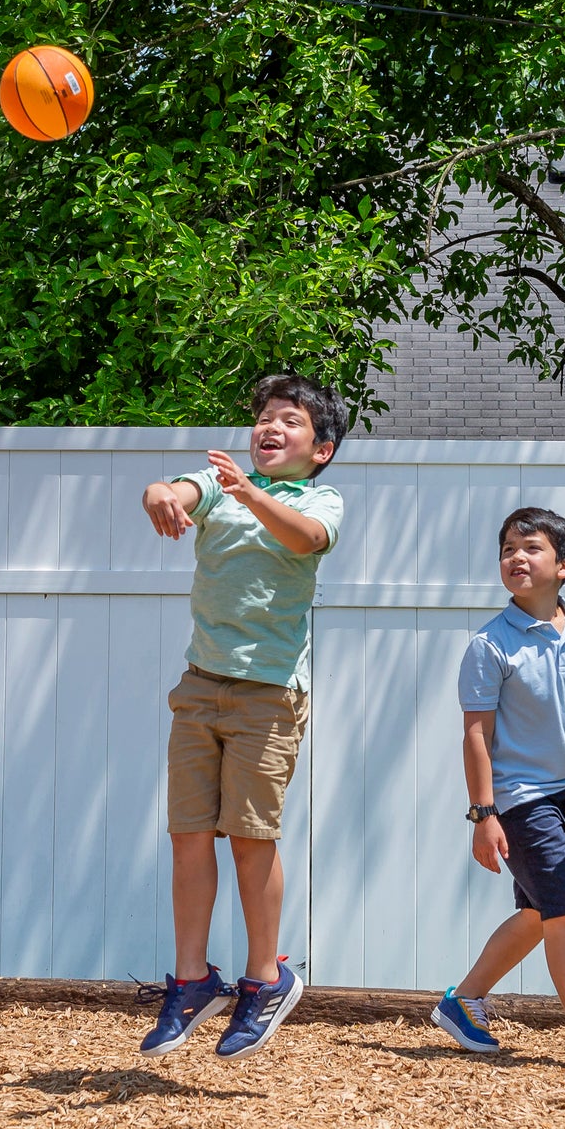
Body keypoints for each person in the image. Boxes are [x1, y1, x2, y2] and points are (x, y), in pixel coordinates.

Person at [138, 374, 346, 1061]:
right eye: (264, 417)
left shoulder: (319, 497)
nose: (270, 426)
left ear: (321, 448)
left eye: (289, 420)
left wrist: (248, 492)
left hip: (269, 693)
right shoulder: (215, 482)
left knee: (249, 836)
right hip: (200, 686)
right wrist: (163, 495)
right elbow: (170, 491)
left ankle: (265, 977)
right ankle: (192, 981)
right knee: (189, 834)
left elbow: (304, 539)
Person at [432, 507, 565, 1076]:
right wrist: (483, 815)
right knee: (564, 908)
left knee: (539, 910)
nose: (516, 558)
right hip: (518, 797)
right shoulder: (490, 644)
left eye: (531, 549)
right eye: (506, 551)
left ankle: (463, 1001)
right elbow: (477, 734)